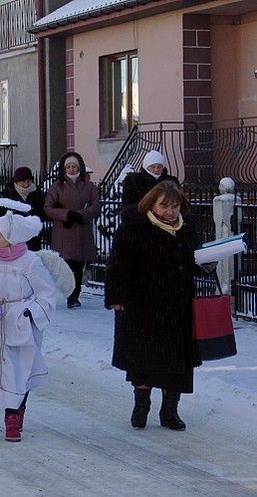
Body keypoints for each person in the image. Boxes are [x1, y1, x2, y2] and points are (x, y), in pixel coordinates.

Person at [105, 181, 202, 432]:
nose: (170, 212)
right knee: (143, 361)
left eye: (175, 206)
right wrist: (117, 296)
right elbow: (118, 265)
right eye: (164, 206)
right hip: (142, 305)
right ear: (151, 204)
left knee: (178, 362)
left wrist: (206, 263)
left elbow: (196, 259)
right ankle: (141, 406)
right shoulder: (134, 228)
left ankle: (170, 410)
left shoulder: (187, 228)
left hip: (178, 306)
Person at [0, 209, 56, 442]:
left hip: (21, 321)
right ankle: (11, 413)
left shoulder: (31, 262)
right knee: (5, 368)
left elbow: (46, 293)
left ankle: (16, 410)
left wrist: (30, 313)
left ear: (13, 236)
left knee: (21, 368)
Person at [44, 152, 100, 309]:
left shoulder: (89, 186)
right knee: (67, 264)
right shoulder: (57, 187)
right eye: (68, 167)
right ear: (63, 169)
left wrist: (82, 215)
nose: (71, 169)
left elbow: (96, 205)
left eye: (74, 166)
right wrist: (67, 215)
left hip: (81, 231)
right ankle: (69, 293)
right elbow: (48, 208)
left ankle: (75, 295)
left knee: (78, 265)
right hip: (64, 232)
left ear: (79, 168)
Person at [0, 166, 47, 251]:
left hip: (33, 237)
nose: (26, 184)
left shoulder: (38, 194)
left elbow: (43, 213)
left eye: (28, 181)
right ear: (16, 182)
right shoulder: (7, 194)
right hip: (14, 238)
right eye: (23, 182)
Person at [121, 150, 180, 216]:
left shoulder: (171, 181)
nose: (156, 170)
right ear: (146, 167)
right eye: (152, 167)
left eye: (159, 167)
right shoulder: (134, 180)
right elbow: (129, 204)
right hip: (142, 218)